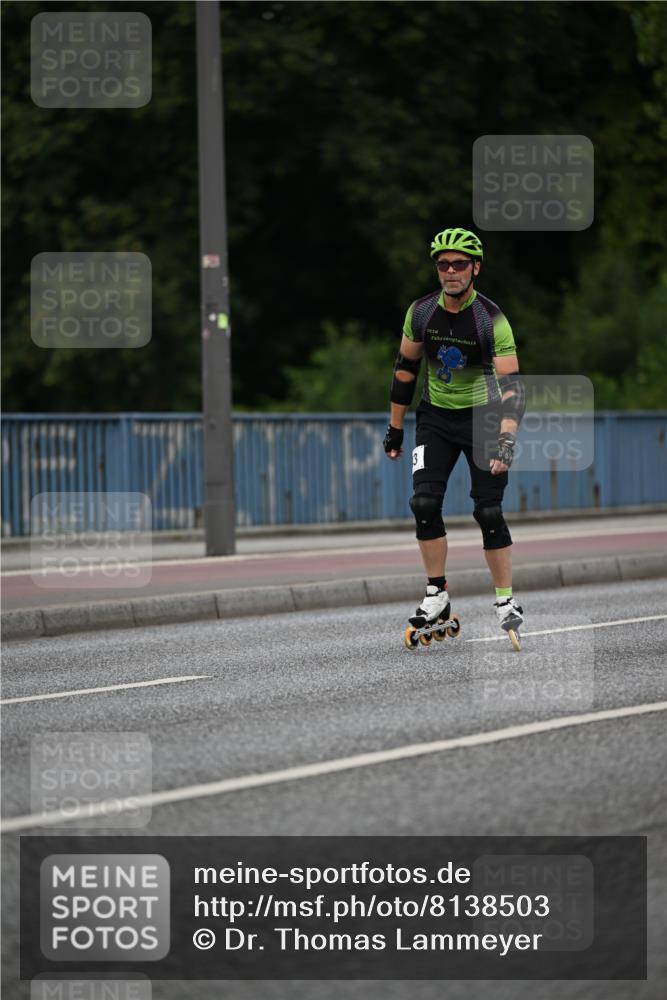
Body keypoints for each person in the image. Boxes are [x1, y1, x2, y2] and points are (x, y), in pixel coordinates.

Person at [383, 227, 525, 637]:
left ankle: (505, 599)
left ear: (475, 268)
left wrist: (507, 439)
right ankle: (436, 593)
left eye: (459, 264)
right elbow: (405, 371)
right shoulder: (421, 312)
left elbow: (513, 388)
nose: (450, 271)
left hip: (484, 418)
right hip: (436, 417)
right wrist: (395, 428)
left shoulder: (492, 319)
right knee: (424, 503)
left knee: (488, 511)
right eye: (443, 264)